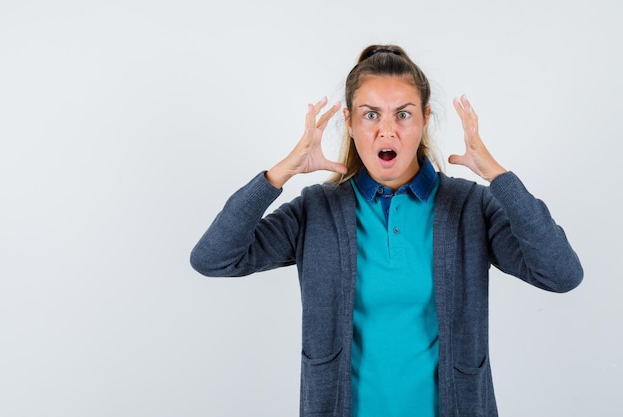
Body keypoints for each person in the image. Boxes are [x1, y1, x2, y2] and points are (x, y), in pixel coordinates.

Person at [190, 44, 583, 417]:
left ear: (426, 119)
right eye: (371, 114)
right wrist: (279, 174)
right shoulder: (317, 209)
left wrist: (499, 177)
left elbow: (562, 274)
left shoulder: (469, 207)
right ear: (349, 121)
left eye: (403, 114)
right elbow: (214, 258)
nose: (387, 130)